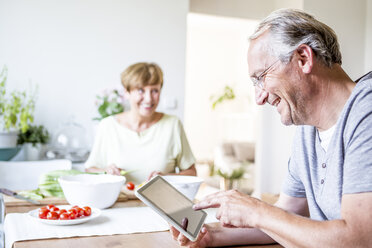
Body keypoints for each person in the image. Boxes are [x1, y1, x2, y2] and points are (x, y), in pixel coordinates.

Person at [171, 8, 372, 247]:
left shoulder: (366, 112)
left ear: (303, 58)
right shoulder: (307, 130)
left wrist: (256, 210)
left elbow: (358, 240)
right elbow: (288, 218)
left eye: (261, 77)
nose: (259, 98)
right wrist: (212, 236)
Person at [85, 62, 196, 184]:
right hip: (118, 201)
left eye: (154, 91)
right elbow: (90, 170)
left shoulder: (173, 125)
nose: (148, 99)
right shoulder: (107, 126)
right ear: (127, 92)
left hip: (160, 201)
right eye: (141, 90)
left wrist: (166, 178)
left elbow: (191, 172)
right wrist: (106, 172)